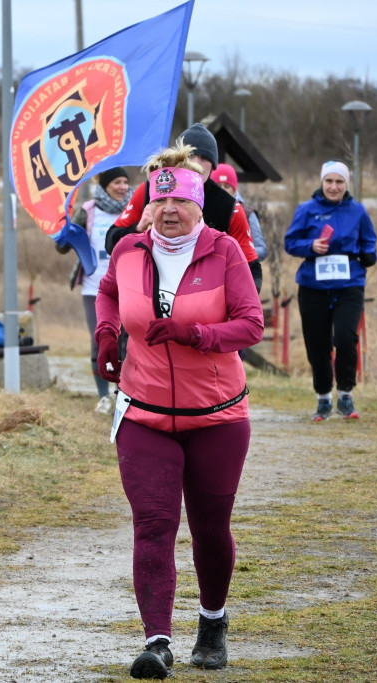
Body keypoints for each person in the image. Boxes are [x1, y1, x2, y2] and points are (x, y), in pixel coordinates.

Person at [95, 143, 263, 679]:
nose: (169, 211)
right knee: (153, 524)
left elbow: (251, 324)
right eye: (159, 201)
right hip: (143, 413)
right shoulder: (128, 250)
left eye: (180, 202)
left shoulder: (224, 252)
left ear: (198, 205)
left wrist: (196, 334)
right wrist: (106, 333)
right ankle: (157, 642)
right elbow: (107, 292)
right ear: (149, 205)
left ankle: (212, 622)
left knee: (210, 529)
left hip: (217, 416)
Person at [105, 124, 260, 291]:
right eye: (191, 156)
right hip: (151, 291)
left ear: (213, 166)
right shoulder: (150, 190)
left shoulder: (229, 207)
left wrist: (228, 300)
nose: (197, 163)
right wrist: (137, 228)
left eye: (204, 158)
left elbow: (252, 269)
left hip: (203, 297)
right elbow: (110, 243)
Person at [284, 160, 377, 421]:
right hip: (313, 286)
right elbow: (290, 242)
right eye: (329, 181)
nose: (333, 187)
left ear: (346, 184)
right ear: (322, 182)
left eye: (339, 182)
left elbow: (370, 241)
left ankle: (346, 395)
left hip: (349, 284)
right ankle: (323, 398)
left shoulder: (358, 211)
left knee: (345, 338)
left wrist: (367, 254)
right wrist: (311, 246)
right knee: (318, 344)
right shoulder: (307, 210)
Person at [59, 167, 134, 414]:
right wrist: (64, 232)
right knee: (100, 340)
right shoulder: (88, 210)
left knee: (127, 343)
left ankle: (124, 394)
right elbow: (64, 247)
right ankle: (103, 397)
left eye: (125, 182)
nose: (123, 187)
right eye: (117, 182)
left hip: (129, 287)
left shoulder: (135, 208)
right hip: (95, 288)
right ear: (104, 185)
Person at [210, 162, 268, 289]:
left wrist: (239, 256)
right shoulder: (204, 210)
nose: (222, 190)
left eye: (227, 186)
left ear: (234, 189)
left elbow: (261, 248)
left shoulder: (247, 212)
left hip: (241, 277)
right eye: (218, 186)